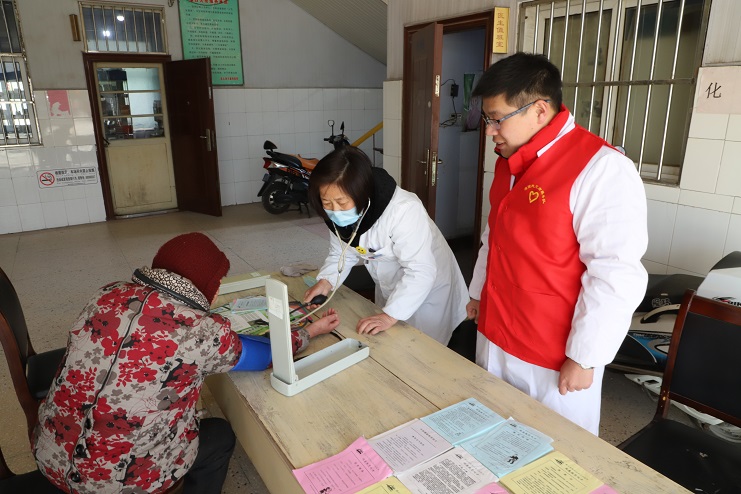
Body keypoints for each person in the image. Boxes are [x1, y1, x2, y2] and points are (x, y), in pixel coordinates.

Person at [33, 232, 339, 494]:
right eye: (217, 282)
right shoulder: (199, 330)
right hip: (114, 484)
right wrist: (309, 332)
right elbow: (266, 356)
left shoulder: (107, 294)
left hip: (50, 454)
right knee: (220, 435)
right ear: (206, 284)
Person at [467, 53, 648, 435]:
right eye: (487, 119)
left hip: (551, 353)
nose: (490, 131)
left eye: (497, 119)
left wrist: (585, 357)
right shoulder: (508, 161)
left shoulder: (600, 167)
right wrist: (478, 292)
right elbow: (494, 233)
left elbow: (614, 273)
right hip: (497, 330)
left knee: (553, 449)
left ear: (539, 110)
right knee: (490, 432)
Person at [304, 146, 468, 345]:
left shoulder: (403, 210)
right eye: (327, 202)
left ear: (361, 193)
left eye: (342, 202)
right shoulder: (336, 216)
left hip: (428, 289)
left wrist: (390, 316)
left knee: (424, 348)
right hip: (389, 283)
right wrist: (326, 282)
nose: (335, 211)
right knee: (391, 343)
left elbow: (421, 270)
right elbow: (342, 253)